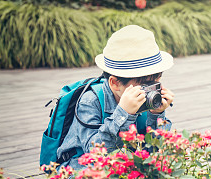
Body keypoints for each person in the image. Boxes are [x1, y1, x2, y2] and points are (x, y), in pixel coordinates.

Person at [56, 25, 174, 170]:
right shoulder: (90, 101)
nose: (151, 90)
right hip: (79, 169)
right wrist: (124, 113)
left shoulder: (148, 99)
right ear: (115, 83)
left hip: (123, 164)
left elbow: (155, 152)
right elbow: (96, 155)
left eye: (157, 81)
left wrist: (157, 115)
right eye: (145, 85)